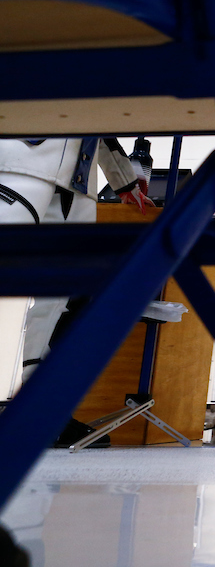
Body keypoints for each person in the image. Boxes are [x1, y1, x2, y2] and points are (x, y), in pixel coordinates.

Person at [0, 137, 153, 447]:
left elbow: (101, 128)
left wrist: (125, 184)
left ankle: (42, 411)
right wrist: (125, 183)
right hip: (21, 165)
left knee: (67, 298)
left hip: (73, 182)